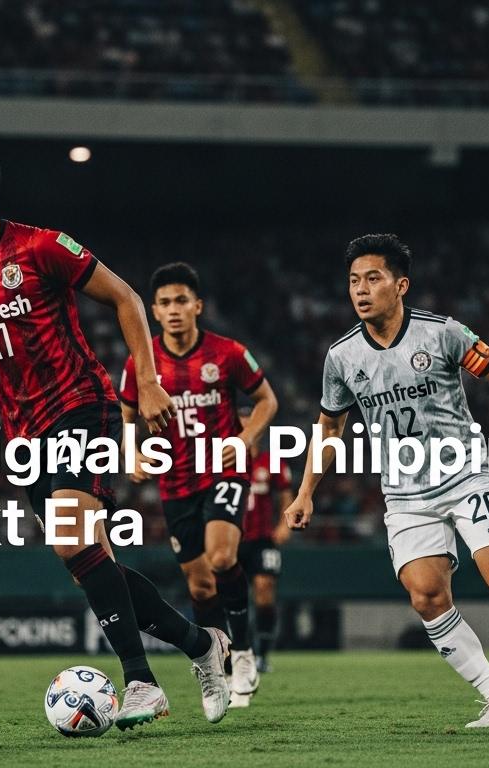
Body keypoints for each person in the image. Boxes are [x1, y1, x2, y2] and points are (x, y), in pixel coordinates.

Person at [0, 135, 230, 730]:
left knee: (72, 541)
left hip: (80, 404)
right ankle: (200, 645)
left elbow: (126, 299)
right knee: (91, 558)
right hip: (23, 432)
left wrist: (145, 382)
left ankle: (141, 682)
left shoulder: (42, 247)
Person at [282, 234, 489, 728]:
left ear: (401, 285)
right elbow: (330, 427)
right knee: (426, 596)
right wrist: (305, 491)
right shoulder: (342, 356)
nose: (360, 289)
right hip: (405, 495)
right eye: (354, 280)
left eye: (373, 278)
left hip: (464, 475)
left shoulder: (443, 333)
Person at [119, 262, 278, 708]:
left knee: (223, 554)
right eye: (165, 303)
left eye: (181, 301)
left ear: (197, 306)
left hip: (223, 470)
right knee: (201, 587)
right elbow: (127, 415)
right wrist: (132, 452)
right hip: (175, 483)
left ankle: (244, 651)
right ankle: (219, 665)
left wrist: (246, 439)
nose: (173, 310)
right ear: (153, 309)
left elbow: (267, 400)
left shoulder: (228, 353)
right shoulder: (141, 363)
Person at [241, 447, 293, 672]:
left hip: (262, 539)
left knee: (265, 589)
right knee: (232, 596)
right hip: (230, 537)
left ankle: (262, 652)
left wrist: (284, 524)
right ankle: (237, 652)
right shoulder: (223, 456)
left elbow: (286, 494)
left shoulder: (271, 461)